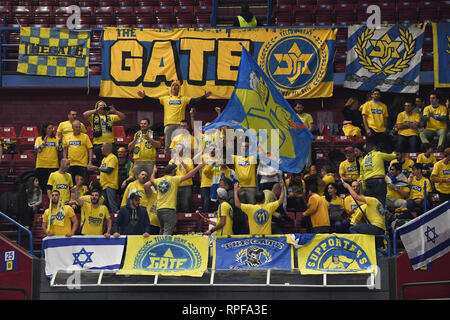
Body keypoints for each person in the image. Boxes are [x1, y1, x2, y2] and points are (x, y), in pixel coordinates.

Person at [137, 81, 211, 155]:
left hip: (180, 125)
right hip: (168, 125)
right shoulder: (165, 99)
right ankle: (168, 160)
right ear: (171, 88)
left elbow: (194, 101)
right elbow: (154, 101)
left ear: (179, 88)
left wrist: (204, 97)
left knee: (180, 143)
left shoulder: (184, 99)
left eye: (176, 85)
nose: (174, 87)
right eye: (173, 85)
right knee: (168, 145)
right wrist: (145, 97)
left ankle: (181, 157)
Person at [151, 162, 205, 235]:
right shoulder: (174, 179)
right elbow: (188, 175)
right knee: (167, 232)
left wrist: (154, 171)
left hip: (159, 209)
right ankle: (164, 245)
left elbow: (151, 179)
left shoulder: (159, 180)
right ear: (173, 172)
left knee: (162, 230)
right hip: (169, 209)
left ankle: (160, 245)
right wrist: (198, 167)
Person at [83, 100, 126, 165]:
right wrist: (96, 110)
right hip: (98, 145)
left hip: (110, 144)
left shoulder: (110, 116)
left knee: (113, 164)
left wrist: (115, 111)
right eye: (100, 106)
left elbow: (123, 116)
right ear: (97, 107)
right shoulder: (93, 117)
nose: (102, 107)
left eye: (104, 106)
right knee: (102, 164)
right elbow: (84, 114)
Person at [360, 139, 396, 206]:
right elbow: (391, 157)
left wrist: (364, 187)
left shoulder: (364, 159)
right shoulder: (378, 154)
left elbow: (361, 175)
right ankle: (380, 215)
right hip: (378, 181)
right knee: (380, 202)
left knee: (370, 204)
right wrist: (394, 153)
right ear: (374, 148)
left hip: (368, 182)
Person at [88, 142, 119, 215]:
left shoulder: (112, 157)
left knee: (112, 205)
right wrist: (93, 169)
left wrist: (96, 168)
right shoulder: (104, 159)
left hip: (110, 185)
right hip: (104, 185)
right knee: (104, 205)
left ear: (106, 149)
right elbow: (101, 171)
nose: (101, 149)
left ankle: (117, 219)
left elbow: (109, 170)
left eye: (102, 147)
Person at [63, 120, 93, 184]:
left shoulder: (85, 136)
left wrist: (90, 162)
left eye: (79, 127)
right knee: (71, 185)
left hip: (82, 164)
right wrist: (65, 161)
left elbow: (90, 149)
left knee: (83, 185)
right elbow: (65, 150)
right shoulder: (67, 137)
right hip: (71, 165)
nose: (78, 129)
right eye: (76, 127)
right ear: (72, 127)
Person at [34, 122, 62, 193]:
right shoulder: (39, 139)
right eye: (49, 128)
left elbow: (59, 149)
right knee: (43, 186)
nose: (51, 130)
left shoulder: (55, 139)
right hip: (41, 166)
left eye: (52, 128)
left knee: (52, 187)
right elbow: (36, 150)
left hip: (53, 165)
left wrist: (60, 141)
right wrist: (44, 144)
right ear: (45, 129)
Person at [168, 144, 194, 212]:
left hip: (186, 186)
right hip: (175, 186)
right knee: (175, 206)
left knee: (185, 205)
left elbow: (191, 172)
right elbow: (168, 173)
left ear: (183, 150)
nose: (177, 149)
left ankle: (187, 222)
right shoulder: (172, 161)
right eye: (176, 148)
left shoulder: (188, 160)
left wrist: (181, 161)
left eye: (179, 148)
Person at [233, 139, 258, 204]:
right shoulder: (235, 158)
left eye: (246, 146)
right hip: (240, 186)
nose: (244, 148)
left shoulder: (253, 158)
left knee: (252, 206)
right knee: (241, 207)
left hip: (251, 186)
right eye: (242, 146)